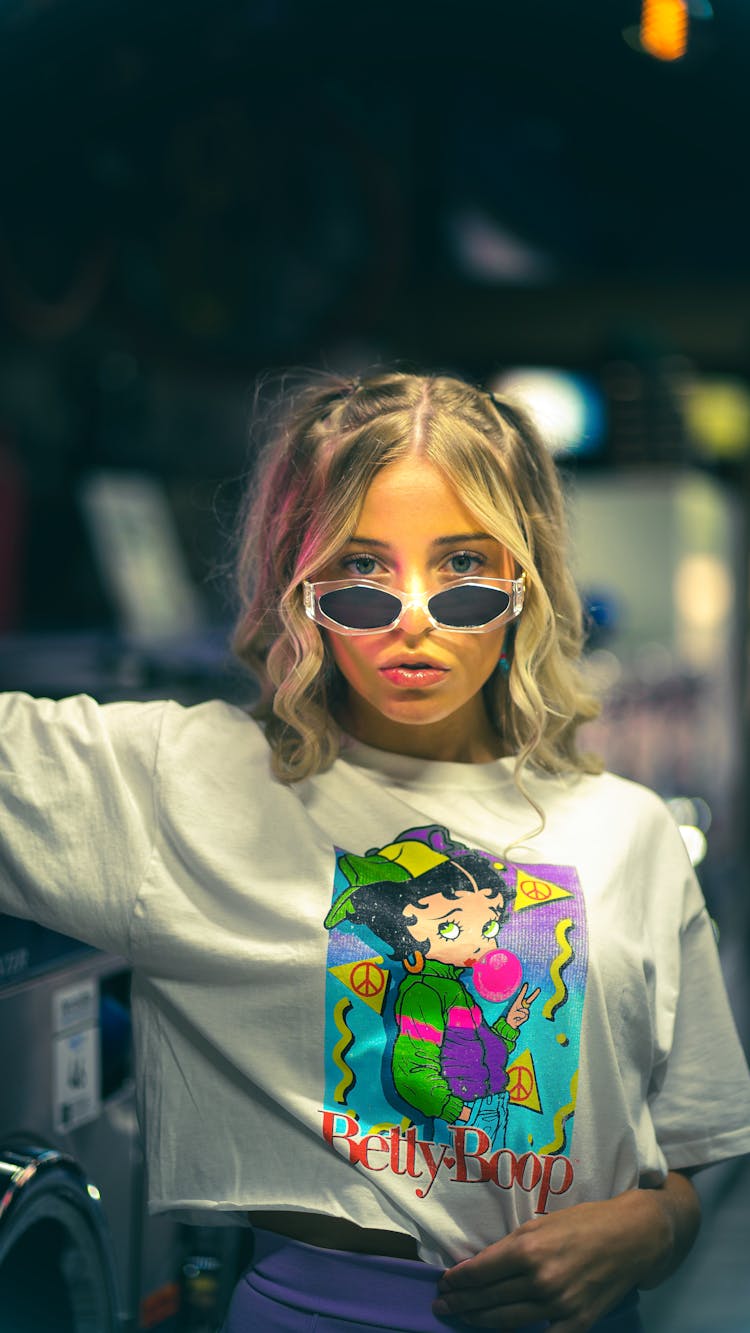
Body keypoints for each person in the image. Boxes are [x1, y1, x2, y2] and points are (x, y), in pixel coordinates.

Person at [1, 369, 749, 1333]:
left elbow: (689, 1149)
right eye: (360, 574)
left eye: (463, 569)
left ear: (524, 580)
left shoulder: (628, 827)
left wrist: (651, 1228)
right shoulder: (185, 783)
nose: (414, 619)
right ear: (297, 585)